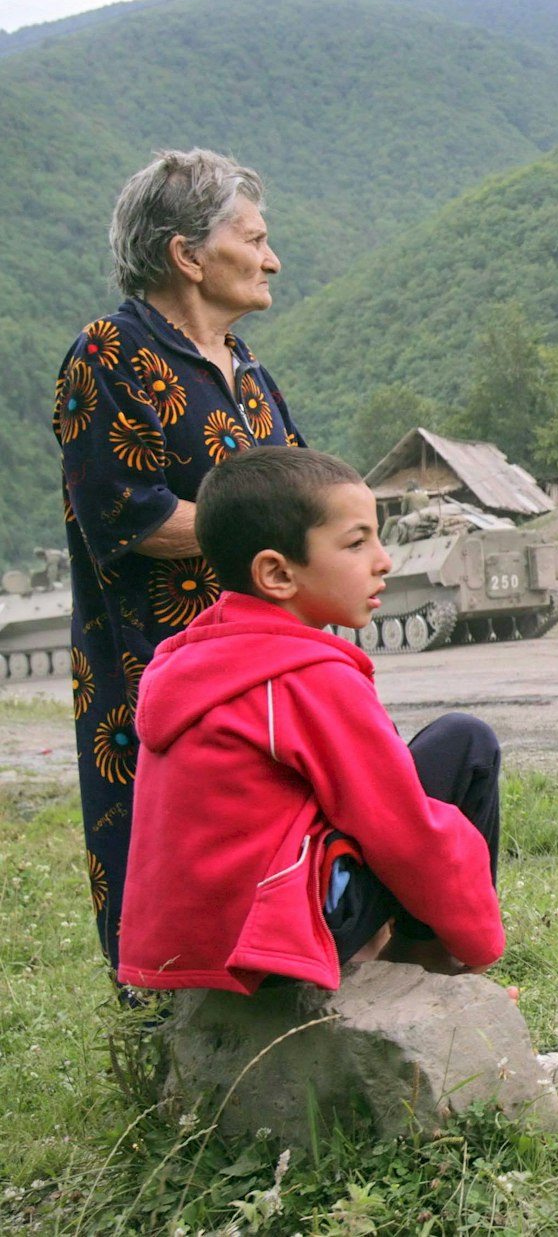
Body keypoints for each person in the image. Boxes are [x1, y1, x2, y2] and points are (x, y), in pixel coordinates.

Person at [116, 447, 505, 992]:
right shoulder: (306, 678)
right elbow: (404, 833)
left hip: (193, 951)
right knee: (466, 745)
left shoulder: (191, 659)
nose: (383, 560)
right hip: (270, 952)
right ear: (277, 573)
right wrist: (479, 942)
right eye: (357, 542)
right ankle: (432, 961)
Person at [56, 149, 305, 974]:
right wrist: (279, 543)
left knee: (280, 859)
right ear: (188, 255)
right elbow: (133, 519)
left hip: (273, 667)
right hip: (162, 678)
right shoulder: (107, 353)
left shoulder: (250, 370)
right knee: (170, 886)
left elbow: (305, 493)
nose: (271, 259)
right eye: (255, 239)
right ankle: (177, 1056)